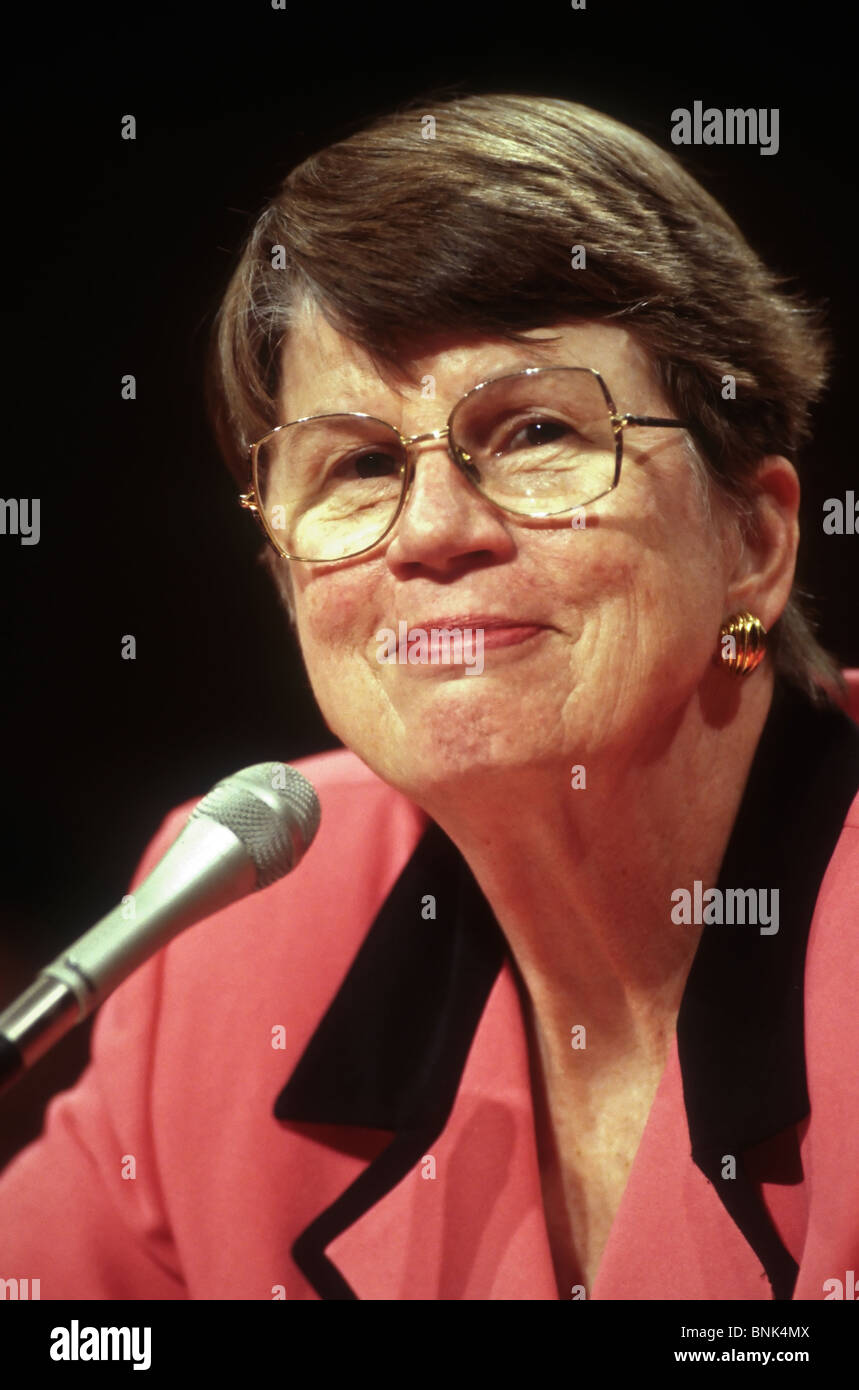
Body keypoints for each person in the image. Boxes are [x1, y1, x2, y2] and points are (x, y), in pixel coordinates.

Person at [1, 92, 857, 1302]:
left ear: (756, 541)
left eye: (537, 432)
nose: (434, 531)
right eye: (357, 465)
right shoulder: (231, 937)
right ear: (285, 578)